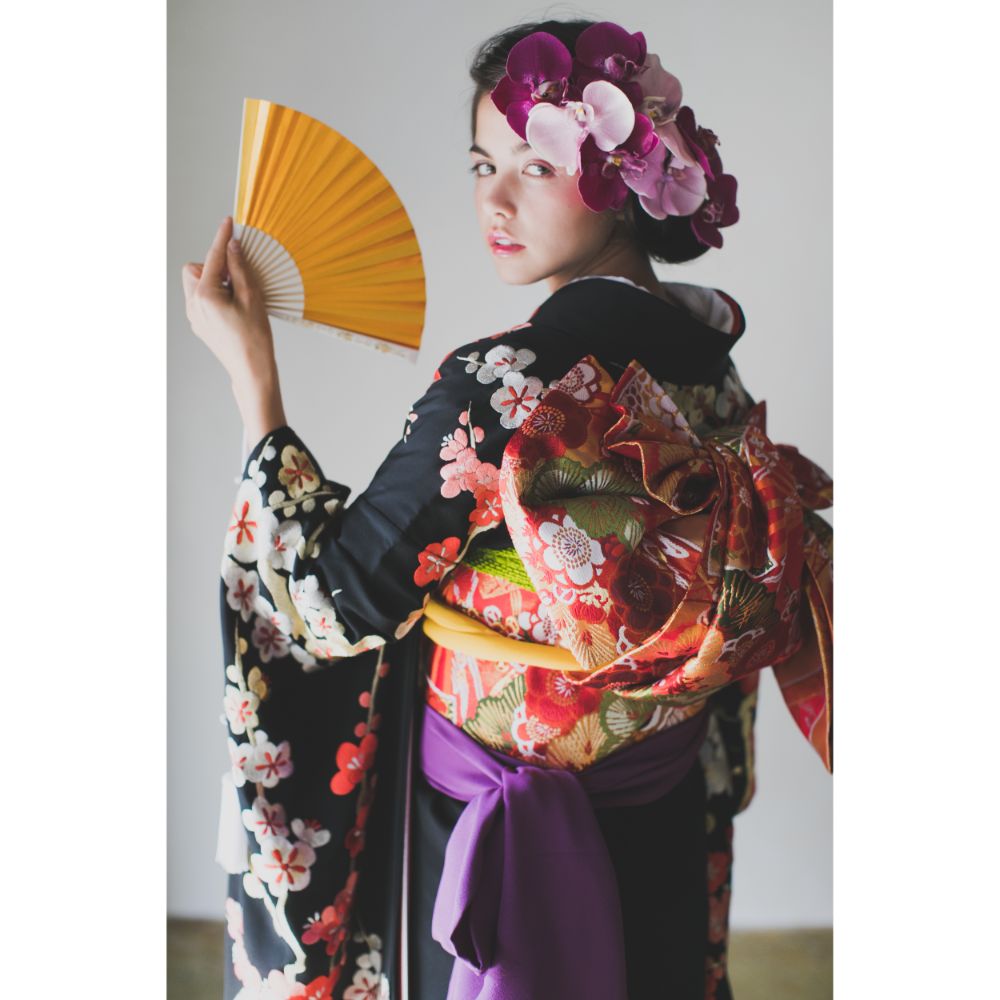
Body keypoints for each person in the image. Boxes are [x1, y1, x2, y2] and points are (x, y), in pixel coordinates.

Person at [182, 17, 833, 1000]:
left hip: (486, 826)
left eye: (537, 167)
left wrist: (253, 382)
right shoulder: (707, 355)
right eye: (483, 164)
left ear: (626, 179)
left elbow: (332, 604)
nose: (494, 198)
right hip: (654, 801)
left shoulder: (503, 386)